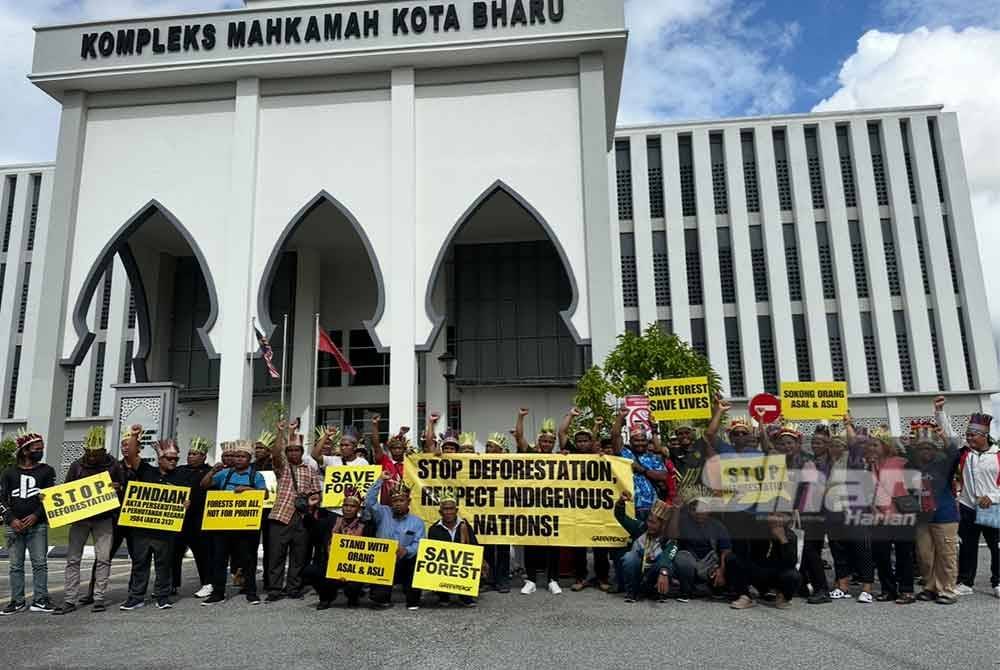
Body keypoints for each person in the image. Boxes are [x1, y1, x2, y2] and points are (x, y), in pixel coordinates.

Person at [54, 426, 126, 615]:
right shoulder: (76, 466)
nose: (92, 457)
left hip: (103, 519)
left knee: (103, 559)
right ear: (85, 451)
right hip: (80, 520)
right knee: (73, 559)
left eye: (96, 454)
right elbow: (65, 491)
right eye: (89, 453)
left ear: (104, 451)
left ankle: (99, 597)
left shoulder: (114, 465)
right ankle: (70, 599)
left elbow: (125, 489)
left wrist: (118, 487)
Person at [81, 424, 147, 607]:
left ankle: (134, 594)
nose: (126, 448)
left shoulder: (143, 469)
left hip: (135, 519)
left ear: (137, 448)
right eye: (123, 445)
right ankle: (92, 593)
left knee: (138, 558)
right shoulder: (113, 467)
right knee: (103, 557)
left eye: (129, 444)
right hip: (114, 518)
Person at [119, 441, 190, 611]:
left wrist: (186, 504)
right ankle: (136, 597)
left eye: (176, 459)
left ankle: (162, 597)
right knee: (139, 564)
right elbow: (131, 456)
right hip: (141, 530)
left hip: (165, 531)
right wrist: (135, 436)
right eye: (169, 458)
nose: (173, 461)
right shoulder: (146, 471)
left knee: (164, 565)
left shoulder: (181, 477)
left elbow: (184, 500)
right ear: (160, 459)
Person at [200, 440, 266, 606]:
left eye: (242, 456)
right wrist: (212, 472)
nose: (238, 459)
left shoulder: (255, 475)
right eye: (236, 456)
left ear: (249, 458)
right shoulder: (225, 473)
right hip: (222, 525)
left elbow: (264, 494)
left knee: (248, 560)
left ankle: (251, 592)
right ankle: (218, 593)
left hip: (245, 527)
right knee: (219, 560)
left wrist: (247, 490)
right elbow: (204, 485)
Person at [910, 399, 961, 605]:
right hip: (922, 518)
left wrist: (939, 414)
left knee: (946, 555)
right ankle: (930, 587)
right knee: (925, 556)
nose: (925, 451)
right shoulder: (912, 465)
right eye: (921, 448)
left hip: (944, 516)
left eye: (929, 448)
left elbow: (953, 451)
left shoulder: (943, 464)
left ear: (934, 449)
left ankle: (948, 590)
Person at [1, 430, 56, 615]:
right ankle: (17, 601)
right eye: (37, 448)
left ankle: (40, 599)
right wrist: (11, 519)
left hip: (38, 525)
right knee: (15, 565)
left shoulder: (47, 471)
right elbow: (1, 499)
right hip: (13, 526)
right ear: (25, 451)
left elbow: (49, 497)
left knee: (40, 563)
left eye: (41, 448)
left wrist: (36, 515)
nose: (40, 451)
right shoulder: (9, 473)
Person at [266, 423, 322, 602]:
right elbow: (275, 454)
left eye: (296, 450)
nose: (293, 453)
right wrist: (281, 432)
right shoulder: (281, 467)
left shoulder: (310, 469)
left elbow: (316, 492)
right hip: (281, 515)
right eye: (290, 450)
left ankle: (293, 588)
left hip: (302, 517)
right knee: (276, 554)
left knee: (299, 555)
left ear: (301, 451)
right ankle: (275, 588)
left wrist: (312, 501)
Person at [866, 428, 918, 604]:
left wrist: (910, 445)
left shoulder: (901, 462)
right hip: (880, 517)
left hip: (901, 515)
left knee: (904, 554)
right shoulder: (871, 465)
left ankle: (906, 590)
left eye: (875, 444)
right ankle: (888, 590)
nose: (871, 448)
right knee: (881, 555)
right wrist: (874, 511)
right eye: (870, 445)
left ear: (886, 445)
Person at [952, 412, 999, 598]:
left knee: (996, 547)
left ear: (984, 436)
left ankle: (998, 582)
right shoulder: (964, 453)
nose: (968, 438)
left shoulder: (997, 455)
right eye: (967, 435)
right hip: (967, 507)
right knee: (967, 546)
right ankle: (965, 582)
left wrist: (994, 497)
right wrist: (939, 411)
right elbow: (949, 435)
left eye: (972, 435)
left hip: (992, 507)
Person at [514, 409, 560, 594]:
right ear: (539, 441)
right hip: (532, 506)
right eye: (544, 441)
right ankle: (531, 580)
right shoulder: (531, 452)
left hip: (553, 506)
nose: (547, 444)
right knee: (531, 542)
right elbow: (519, 437)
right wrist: (521, 417)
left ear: (553, 443)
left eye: (550, 441)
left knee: (554, 543)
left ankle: (553, 580)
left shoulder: (560, 458)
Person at [365, 472, 425, 610]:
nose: (398, 504)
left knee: (416, 560)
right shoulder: (382, 513)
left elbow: (419, 544)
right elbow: (369, 502)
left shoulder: (417, 522)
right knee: (379, 598)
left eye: (401, 501)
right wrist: (380, 480)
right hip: (383, 562)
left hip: (404, 560)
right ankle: (382, 596)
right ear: (391, 502)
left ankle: (413, 599)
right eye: (395, 501)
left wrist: (407, 551)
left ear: (408, 502)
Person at [301, 485, 365, 609]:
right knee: (310, 571)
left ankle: (353, 597)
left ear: (358, 509)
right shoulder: (332, 521)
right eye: (345, 505)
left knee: (355, 584)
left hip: (354, 567)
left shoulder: (365, 526)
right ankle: (326, 597)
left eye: (352, 506)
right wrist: (310, 508)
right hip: (331, 564)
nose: (348, 509)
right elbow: (311, 525)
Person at [728, 512, 802, 610]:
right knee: (732, 559)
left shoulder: (791, 536)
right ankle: (745, 596)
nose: (774, 519)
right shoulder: (758, 531)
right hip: (759, 570)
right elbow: (746, 555)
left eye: (779, 516)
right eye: (771, 515)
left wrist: (783, 540)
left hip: (777, 574)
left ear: (786, 519)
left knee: (794, 576)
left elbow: (791, 563)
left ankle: (782, 596)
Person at [614, 494, 678, 603]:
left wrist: (663, 572)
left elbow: (669, 555)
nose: (649, 525)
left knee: (667, 564)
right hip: (638, 574)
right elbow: (621, 516)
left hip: (653, 576)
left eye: (653, 523)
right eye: (649, 520)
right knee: (629, 557)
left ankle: (659, 592)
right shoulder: (640, 527)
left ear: (663, 525)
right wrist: (620, 503)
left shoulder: (669, 539)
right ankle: (632, 592)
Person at [172, 436, 214, 598]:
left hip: (199, 520)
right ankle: (172, 584)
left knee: (202, 554)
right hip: (179, 519)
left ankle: (207, 583)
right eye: (189, 454)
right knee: (174, 553)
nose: (191, 457)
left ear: (203, 456)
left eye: (195, 454)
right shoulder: (180, 470)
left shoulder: (208, 471)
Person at [426, 490, 482, 607]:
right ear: (440, 512)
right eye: (445, 509)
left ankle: (465, 596)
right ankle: (443, 595)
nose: (448, 512)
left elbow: (474, 546)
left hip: (462, 565)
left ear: (456, 511)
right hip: (444, 567)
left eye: (451, 509)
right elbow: (431, 555)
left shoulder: (465, 525)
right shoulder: (434, 529)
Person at [673, 498, 732, 601]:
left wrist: (721, 571)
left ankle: (709, 589)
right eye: (694, 509)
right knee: (682, 559)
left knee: (726, 569)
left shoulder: (718, 526)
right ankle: (686, 591)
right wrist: (676, 511)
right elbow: (672, 535)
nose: (698, 512)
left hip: (710, 563)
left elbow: (726, 551)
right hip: (690, 560)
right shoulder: (684, 521)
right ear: (690, 510)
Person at [482, 432, 512, 593]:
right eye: (486, 445)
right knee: (486, 546)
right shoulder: (478, 461)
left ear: (500, 450)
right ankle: (488, 579)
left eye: (490, 446)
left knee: (502, 547)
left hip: (503, 510)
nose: (487, 449)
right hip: (484, 510)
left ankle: (503, 580)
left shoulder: (510, 463)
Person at [369, 415, 410, 503]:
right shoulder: (385, 461)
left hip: (407, 505)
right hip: (386, 505)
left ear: (404, 449)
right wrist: (375, 425)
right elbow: (376, 445)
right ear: (390, 449)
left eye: (400, 448)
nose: (397, 450)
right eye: (394, 448)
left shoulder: (410, 464)